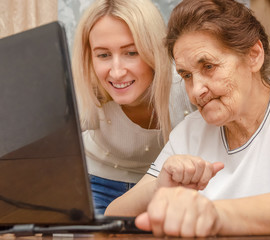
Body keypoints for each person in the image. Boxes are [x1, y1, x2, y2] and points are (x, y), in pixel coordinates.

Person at [105, 0, 270, 237]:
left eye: (208, 66)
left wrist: (210, 215)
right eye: (187, 75)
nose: (196, 90)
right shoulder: (189, 132)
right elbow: (111, 219)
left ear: (254, 55)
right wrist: (157, 189)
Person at [71, 0, 194, 215]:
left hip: (164, 185)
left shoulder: (184, 85)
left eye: (131, 53)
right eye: (103, 55)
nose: (117, 72)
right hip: (97, 183)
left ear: (153, 51)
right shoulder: (86, 87)